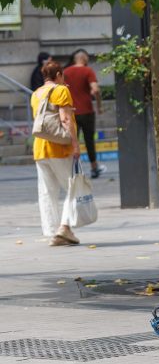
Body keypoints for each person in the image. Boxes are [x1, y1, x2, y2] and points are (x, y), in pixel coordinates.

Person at [31, 61, 81, 246]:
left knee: (47, 191)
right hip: (59, 148)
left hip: (40, 149)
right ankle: (64, 228)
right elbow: (66, 119)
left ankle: (52, 231)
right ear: (59, 74)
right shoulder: (61, 90)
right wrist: (75, 144)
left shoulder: (36, 94)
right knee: (72, 187)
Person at [63, 49, 105, 179]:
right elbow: (96, 89)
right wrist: (99, 105)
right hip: (86, 111)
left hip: (71, 113)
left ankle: (71, 169)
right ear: (84, 59)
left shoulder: (66, 72)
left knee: (71, 141)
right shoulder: (88, 71)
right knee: (89, 140)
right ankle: (94, 168)